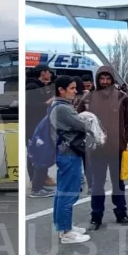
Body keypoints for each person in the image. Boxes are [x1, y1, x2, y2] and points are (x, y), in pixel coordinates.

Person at [77, 64, 128, 230]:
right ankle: (96, 217)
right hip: (96, 150)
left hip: (117, 149)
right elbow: (79, 120)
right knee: (97, 184)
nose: (104, 81)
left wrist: (124, 139)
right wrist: (88, 140)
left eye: (107, 78)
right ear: (97, 79)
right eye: (101, 78)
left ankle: (121, 213)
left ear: (112, 79)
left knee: (118, 183)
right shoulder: (88, 98)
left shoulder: (122, 97)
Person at [48, 76, 90, 244]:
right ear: (61, 90)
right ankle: (66, 232)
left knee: (62, 192)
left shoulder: (57, 105)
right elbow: (83, 125)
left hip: (63, 152)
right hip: (69, 153)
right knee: (69, 192)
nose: (75, 92)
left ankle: (63, 226)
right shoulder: (63, 108)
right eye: (72, 88)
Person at [26, 66, 55, 197]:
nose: (50, 75)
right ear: (43, 73)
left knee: (41, 152)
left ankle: (40, 183)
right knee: (35, 154)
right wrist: (47, 103)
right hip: (33, 126)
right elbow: (30, 107)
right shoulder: (32, 86)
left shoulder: (44, 86)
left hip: (40, 125)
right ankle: (36, 185)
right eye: (49, 72)